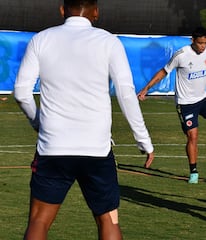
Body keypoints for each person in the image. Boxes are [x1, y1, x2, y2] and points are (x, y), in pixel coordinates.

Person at [14, 1, 154, 239]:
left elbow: (20, 92)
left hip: (53, 147)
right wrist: (144, 141)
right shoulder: (108, 41)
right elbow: (125, 92)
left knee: (39, 220)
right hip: (96, 149)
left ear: (62, 10)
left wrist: (38, 123)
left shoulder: (42, 39)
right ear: (96, 12)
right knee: (108, 221)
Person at [137, 27, 206, 184]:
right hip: (186, 104)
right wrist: (146, 89)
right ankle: (194, 172)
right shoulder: (181, 55)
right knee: (193, 137)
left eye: (205, 43)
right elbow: (163, 72)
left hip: (203, 98)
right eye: (200, 43)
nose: (203, 46)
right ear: (192, 41)